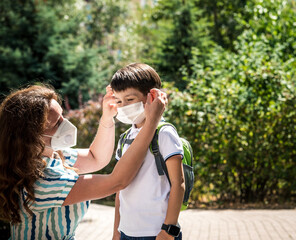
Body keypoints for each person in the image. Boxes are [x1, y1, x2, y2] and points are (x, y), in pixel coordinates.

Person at [0, 84, 167, 239]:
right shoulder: (42, 181)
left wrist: (107, 117)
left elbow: (95, 158)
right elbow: (117, 181)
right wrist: (151, 122)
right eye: (56, 123)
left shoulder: (52, 156)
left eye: (62, 116)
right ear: (31, 135)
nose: (65, 124)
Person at [110, 63, 185, 240]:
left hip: (157, 232)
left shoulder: (164, 133)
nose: (123, 106)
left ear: (151, 96)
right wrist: (116, 230)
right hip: (126, 232)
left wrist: (168, 229)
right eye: (119, 101)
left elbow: (179, 183)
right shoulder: (125, 137)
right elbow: (120, 189)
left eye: (129, 100)